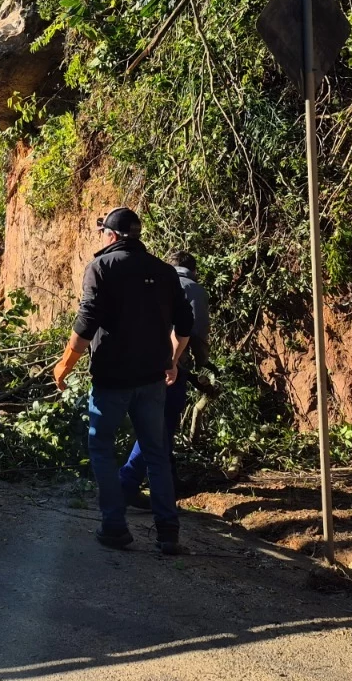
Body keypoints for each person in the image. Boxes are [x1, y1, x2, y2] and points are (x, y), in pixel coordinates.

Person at [54, 207, 193, 554]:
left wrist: (64, 365)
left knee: (101, 450)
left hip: (112, 380)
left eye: (103, 232)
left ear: (111, 236)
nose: (101, 236)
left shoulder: (101, 267)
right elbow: (185, 325)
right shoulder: (164, 271)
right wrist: (173, 363)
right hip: (152, 379)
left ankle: (115, 527)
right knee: (156, 453)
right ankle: (168, 533)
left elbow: (85, 325)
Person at [118, 249, 210, 506]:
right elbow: (197, 332)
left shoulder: (151, 281)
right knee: (160, 426)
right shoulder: (193, 289)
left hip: (135, 364)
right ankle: (125, 484)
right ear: (193, 270)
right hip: (169, 368)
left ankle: (168, 483)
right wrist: (201, 362)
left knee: (153, 424)